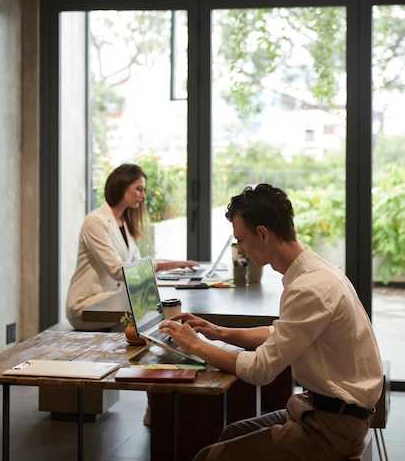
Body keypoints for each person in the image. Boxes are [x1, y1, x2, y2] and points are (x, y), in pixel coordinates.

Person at [159, 183, 383, 461]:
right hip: (322, 410)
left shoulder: (309, 288)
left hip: (332, 427)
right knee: (231, 434)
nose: (240, 250)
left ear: (263, 233)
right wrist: (218, 332)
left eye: (240, 240)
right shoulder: (316, 270)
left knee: (207, 457)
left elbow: (261, 370)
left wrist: (196, 346)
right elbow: (280, 333)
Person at [66, 163, 199, 331]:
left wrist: (174, 263)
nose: (143, 195)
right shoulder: (95, 221)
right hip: (87, 305)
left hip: (110, 301)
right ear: (122, 187)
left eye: (143, 190)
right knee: (151, 312)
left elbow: (137, 263)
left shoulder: (123, 222)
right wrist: (165, 265)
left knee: (156, 306)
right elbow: (116, 270)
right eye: (139, 189)